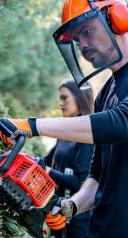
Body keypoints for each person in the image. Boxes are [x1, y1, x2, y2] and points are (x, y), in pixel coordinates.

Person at [0, 0, 128, 238]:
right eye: (77, 40)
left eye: (87, 31)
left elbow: (125, 123)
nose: (83, 45)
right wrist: (72, 206)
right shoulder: (106, 93)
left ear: (118, 19)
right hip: (106, 230)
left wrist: (32, 125)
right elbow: (99, 175)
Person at [44, 80, 94, 238]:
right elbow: (45, 161)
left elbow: (81, 182)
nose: (61, 103)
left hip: (78, 222)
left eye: (65, 98)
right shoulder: (66, 132)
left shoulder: (89, 136)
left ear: (80, 98)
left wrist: (48, 171)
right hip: (57, 215)